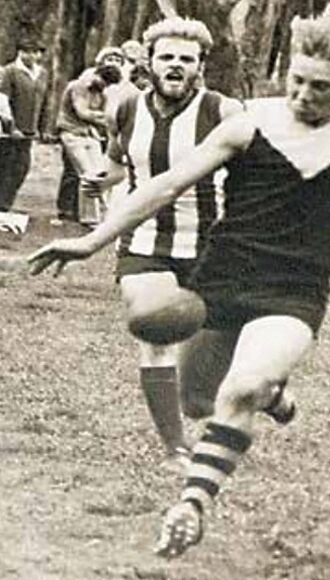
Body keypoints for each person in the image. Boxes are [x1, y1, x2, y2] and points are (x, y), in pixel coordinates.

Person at [29, 15, 330, 559]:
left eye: (320, 88)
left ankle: (191, 506)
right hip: (223, 278)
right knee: (198, 400)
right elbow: (167, 184)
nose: (303, 96)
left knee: (239, 390)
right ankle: (274, 395)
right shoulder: (249, 123)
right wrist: (92, 240)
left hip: (295, 289)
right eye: (296, 82)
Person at [69, 17, 247, 470]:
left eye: (187, 58)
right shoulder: (125, 109)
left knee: (208, 379)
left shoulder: (223, 111)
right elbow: (118, 165)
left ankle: (269, 392)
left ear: (201, 65)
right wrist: (101, 180)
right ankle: (175, 450)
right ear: (149, 62)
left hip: (210, 245)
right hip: (144, 240)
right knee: (155, 329)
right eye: (166, 56)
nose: (175, 65)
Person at [53, 61, 124, 226]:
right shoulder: (79, 86)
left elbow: (106, 113)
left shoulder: (103, 92)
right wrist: (108, 118)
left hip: (90, 134)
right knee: (87, 173)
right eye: (104, 83)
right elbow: (83, 112)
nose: (105, 87)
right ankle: (90, 218)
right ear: (97, 76)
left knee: (101, 173)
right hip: (71, 133)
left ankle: (104, 214)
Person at [0, 36, 48, 214]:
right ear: (20, 53)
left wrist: (42, 127)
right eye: (27, 52)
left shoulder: (42, 74)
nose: (32, 56)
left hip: (29, 128)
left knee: (21, 167)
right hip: (9, 130)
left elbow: (43, 102)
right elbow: (3, 101)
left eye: (36, 52)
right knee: (7, 166)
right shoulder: (10, 71)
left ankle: (5, 203)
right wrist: (11, 127)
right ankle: (2, 205)